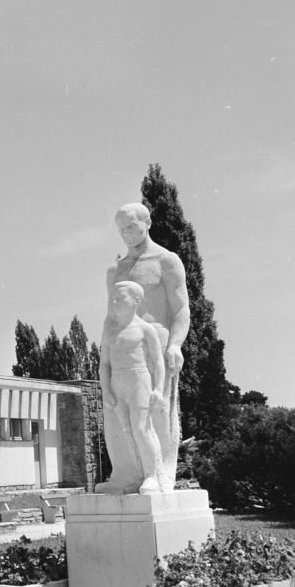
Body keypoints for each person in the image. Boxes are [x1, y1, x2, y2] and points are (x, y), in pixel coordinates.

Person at [96, 203, 189, 492]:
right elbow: (111, 314)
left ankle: (160, 475)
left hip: (156, 341)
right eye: (121, 228)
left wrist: (175, 345)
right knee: (116, 413)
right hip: (121, 343)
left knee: (155, 411)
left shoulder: (167, 260)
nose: (126, 233)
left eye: (131, 226)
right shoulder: (116, 269)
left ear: (147, 222)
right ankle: (124, 474)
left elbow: (181, 308)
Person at [100, 281, 167, 494]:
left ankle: (152, 476)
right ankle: (133, 475)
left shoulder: (145, 329)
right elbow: (104, 365)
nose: (115, 302)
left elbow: (158, 362)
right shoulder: (109, 331)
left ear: (136, 301)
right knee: (125, 432)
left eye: (121, 298)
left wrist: (158, 389)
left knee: (141, 429)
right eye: (114, 299)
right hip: (117, 383)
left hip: (139, 381)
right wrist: (106, 390)